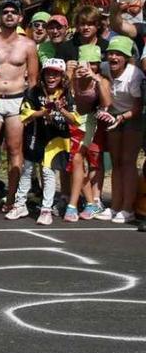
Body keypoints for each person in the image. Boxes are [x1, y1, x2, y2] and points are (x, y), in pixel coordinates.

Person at [6, 59, 78, 225]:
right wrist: (45, 111)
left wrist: (60, 109)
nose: (51, 77)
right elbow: (25, 114)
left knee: (48, 172)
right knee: (27, 169)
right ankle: (20, 204)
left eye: (55, 74)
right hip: (36, 135)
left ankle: (46, 209)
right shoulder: (33, 91)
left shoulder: (67, 93)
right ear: (42, 74)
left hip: (56, 138)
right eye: (48, 73)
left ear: (62, 76)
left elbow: (75, 120)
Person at [0, 0, 39, 211]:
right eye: (5, 12)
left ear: (20, 17)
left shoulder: (28, 44)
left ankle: (12, 197)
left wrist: (29, 105)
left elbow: (34, 80)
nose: (9, 15)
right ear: (0, 17)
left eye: (13, 12)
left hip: (17, 100)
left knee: (15, 149)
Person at [94, 35, 143, 223]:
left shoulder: (135, 75)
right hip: (113, 116)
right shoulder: (104, 68)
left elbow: (138, 107)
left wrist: (122, 118)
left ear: (126, 57)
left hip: (132, 117)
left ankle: (128, 209)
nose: (113, 57)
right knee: (115, 162)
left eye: (118, 54)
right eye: (111, 53)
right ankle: (115, 206)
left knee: (128, 161)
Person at [67, 45, 111, 221]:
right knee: (75, 164)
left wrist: (96, 79)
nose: (89, 67)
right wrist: (69, 77)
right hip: (71, 119)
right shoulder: (73, 76)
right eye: (86, 63)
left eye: (93, 63)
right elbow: (64, 96)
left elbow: (107, 101)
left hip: (89, 123)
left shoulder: (102, 79)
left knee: (77, 159)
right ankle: (90, 203)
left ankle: (73, 205)